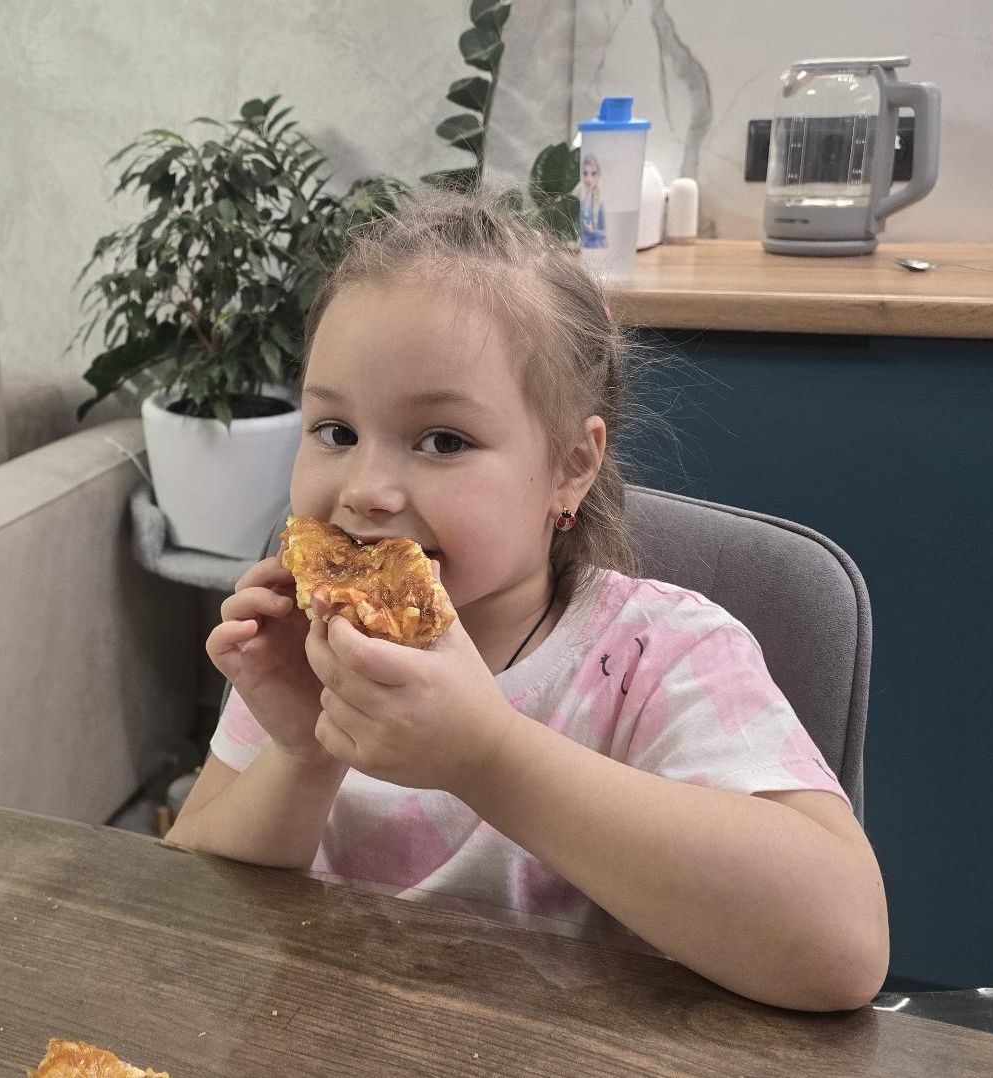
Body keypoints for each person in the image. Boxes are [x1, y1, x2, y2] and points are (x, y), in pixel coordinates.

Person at [166, 193, 888, 1012]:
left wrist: (489, 755)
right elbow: (184, 902)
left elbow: (844, 947)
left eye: (443, 441)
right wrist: (302, 756)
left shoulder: (658, 657)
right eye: (335, 431)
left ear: (571, 468)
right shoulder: (308, 644)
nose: (365, 490)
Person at [578, 153, 608, 248]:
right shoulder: (582, 202)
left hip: (596, 247)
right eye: (585, 173)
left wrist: (592, 231)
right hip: (583, 248)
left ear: (598, 176)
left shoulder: (600, 203)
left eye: (593, 174)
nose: (588, 178)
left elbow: (605, 233)